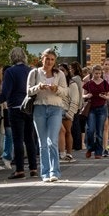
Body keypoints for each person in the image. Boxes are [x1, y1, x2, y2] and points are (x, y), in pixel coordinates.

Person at [0, 46, 38, 179]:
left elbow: (5, 93)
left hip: (15, 108)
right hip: (30, 107)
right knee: (29, 138)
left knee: (18, 139)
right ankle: (33, 168)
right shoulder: (31, 71)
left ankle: (19, 169)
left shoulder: (10, 72)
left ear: (12, 57)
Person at [26, 49, 69, 182]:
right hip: (39, 108)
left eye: (52, 59)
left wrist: (57, 89)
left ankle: (54, 172)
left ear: (55, 61)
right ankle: (45, 173)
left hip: (55, 109)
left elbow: (65, 92)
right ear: (42, 58)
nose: (49, 61)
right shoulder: (34, 72)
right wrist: (39, 87)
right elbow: (28, 91)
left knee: (52, 141)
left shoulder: (59, 74)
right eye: (47, 58)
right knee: (42, 143)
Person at [82, 61, 109, 158]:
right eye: (96, 73)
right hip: (91, 108)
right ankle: (90, 148)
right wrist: (87, 95)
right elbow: (83, 95)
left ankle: (98, 152)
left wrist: (104, 97)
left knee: (99, 131)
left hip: (102, 108)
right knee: (90, 130)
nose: (98, 75)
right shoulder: (89, 84)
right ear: (92, 73)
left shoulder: (104, 83)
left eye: (99, 73)